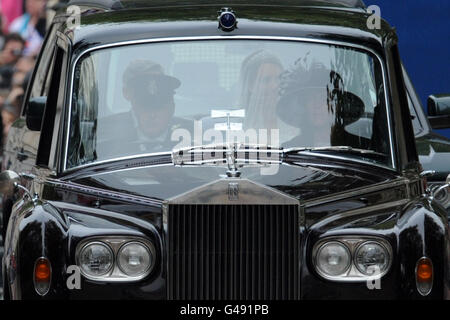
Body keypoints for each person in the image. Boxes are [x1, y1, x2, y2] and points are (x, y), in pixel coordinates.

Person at [97, 59, 189, 157]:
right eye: (145, 108)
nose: (152, 115)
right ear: (135, 106)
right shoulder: (103, 133)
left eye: (158, 107)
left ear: (172, 108)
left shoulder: (193, 136)